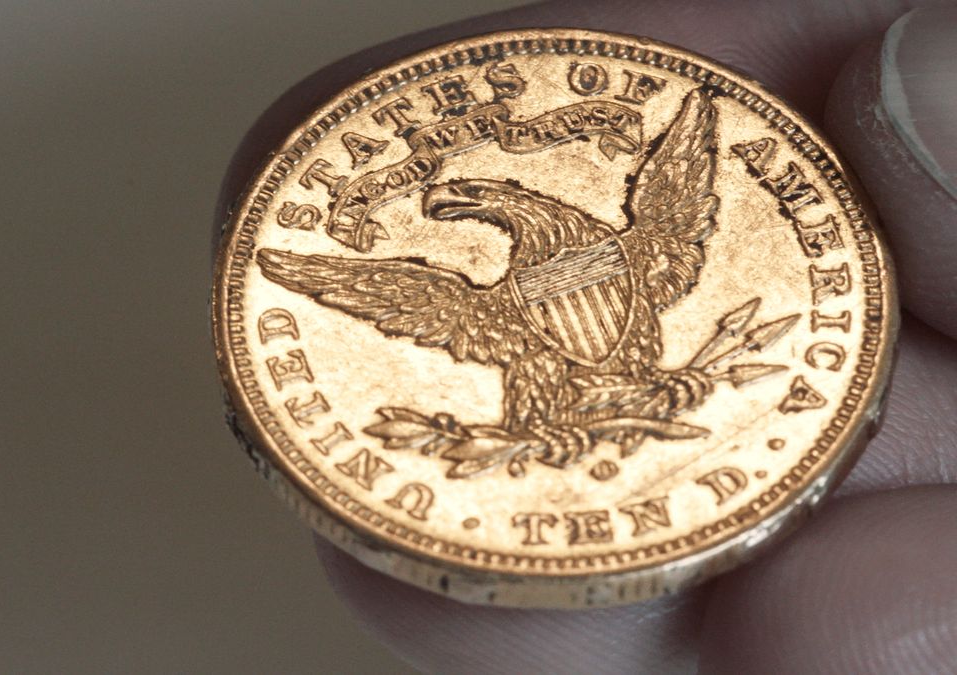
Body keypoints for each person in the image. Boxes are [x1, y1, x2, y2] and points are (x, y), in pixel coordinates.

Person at [216, 2, 957, 672]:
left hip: (646, 379)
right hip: (548, 410)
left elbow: (680, 181)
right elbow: (369, 288)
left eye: (483, 199)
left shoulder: (642, 248)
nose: (469, 207)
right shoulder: (494, 299)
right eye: (475, 200)